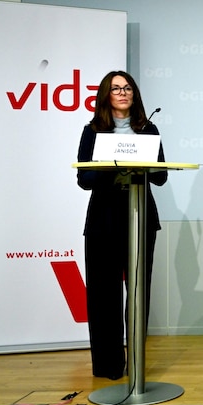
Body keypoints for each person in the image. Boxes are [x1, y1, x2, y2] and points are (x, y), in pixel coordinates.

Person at [76, 70, 168, 380]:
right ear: (105, 95)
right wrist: (111, 162)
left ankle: (137, 362)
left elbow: (161, 176)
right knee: (103, 296)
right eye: (116, 88)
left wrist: (142, 161)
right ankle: (108, 366)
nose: (123, 92)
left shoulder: (148, 128)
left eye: (127, 87)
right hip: (103, 219)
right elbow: (84, 179)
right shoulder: (92, 131)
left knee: (138, 293)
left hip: (140, 217)